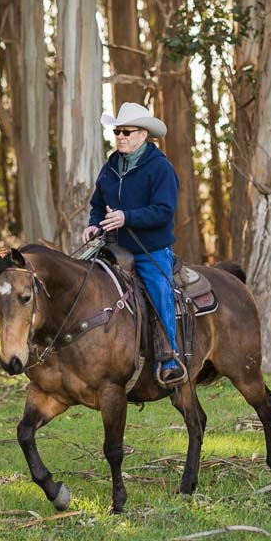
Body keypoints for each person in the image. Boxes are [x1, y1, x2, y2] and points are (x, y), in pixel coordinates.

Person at [82, 102, 186, 386]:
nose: (121, 137)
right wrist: (93, 224)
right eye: (117, 132)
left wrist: (127, 217)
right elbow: (97, 204)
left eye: (127, 131)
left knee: (158, 289)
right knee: (79, 279)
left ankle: (169, 358)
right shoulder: (111, 166)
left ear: (143, 135)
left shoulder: (160, 168)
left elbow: (164, 210)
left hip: (149, 250)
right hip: (113, 247)